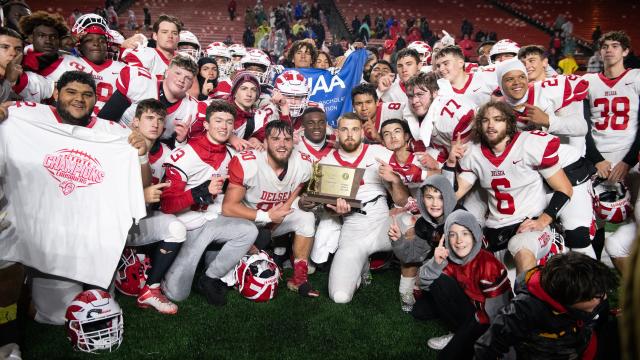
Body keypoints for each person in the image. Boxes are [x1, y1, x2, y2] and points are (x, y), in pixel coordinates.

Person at [0, 70, 150, 326]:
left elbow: (142, 185)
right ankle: (23, 293)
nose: (79, 99)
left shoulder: (115, 134)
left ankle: (35, 287)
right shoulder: (24, 115)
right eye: (71, 92)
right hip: (31, 227)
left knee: (70, 316)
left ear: (95, 100)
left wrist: (142, 155)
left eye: (87, 95)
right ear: (56, 93)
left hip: (83, 239)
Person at [452, 101, 573, 275]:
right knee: (498, 296)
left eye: (497, 119)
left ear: (509, 123)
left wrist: (543, 221)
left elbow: (565, 189)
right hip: (495, 231)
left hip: (529, 225)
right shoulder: (473, 153)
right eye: (485, 120)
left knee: (521, 250)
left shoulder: (529, 144)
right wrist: (450, 163)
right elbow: (455, 194)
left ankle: (550, 253)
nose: (491, 125)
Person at [160, 100, 258, 306]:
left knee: (249, 231)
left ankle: (210, 277)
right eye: (218, 121)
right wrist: (200, 192)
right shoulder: (185, 154)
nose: (224, 126)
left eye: (229, 122)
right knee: (175, 293)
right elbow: (166, 205)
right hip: (187, 223)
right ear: (206, 125)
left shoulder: (230, 153)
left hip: (211, 218)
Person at [500, 57, 595, 258]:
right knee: (538, 239)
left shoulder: (549, 91)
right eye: (509, 79)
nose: (516, 82)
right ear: (501, 83)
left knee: (577, 237)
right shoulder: (495, 108)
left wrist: (549, 121)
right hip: (532, 179)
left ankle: (595, 288)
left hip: (566, 170)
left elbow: (581, 127)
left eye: (521, 77)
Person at [311, 113, 410, 303]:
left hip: (383, 221)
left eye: (355, 129)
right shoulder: (324, 164)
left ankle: (412, 285)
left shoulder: (380, 152)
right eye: (344, 129)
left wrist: (395, 180)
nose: (350, 134)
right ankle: (362, 265)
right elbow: (324, 206)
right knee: (340, 296)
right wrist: (334, 210)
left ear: (362, 132)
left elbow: (404, 201)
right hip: (353, 226)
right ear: (337, 132)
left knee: (413, 221)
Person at [223, 120, 320, 297]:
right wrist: (267, 216)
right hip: (246, 223)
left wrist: (283, 212)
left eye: (287, 139)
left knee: (306, 218)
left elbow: (297, 191)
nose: (282, 144)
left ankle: (299, 279)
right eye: (275, 139)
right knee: (227, 272)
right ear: (265, 142)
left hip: (274, 219)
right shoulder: (248, 162)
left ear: (293, 142)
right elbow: (228, 208)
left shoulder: (303, 163)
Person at [475, 252, 619, 359]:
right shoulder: (525, 310)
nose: (605, 297)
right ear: (571, 298)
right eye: (598, 295)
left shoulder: (580, 285)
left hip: (586, 344)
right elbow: (487, 346)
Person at [122, 99, 188, 315]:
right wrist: (140, 196)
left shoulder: (169, 155)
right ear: (135, 122)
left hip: (140, 223)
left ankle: (151, 289)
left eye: (160, 120)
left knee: (176, 226)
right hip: (113, 223)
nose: (156, 124)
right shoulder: (118, 146)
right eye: (149, 118)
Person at [582, 31, 640, 270]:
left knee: (638, 216)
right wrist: (596, 160)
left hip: (632, 158)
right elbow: (582, 124)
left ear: (625, 51)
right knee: (591, 222)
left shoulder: (637, 77)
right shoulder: (588, 81)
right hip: (598, 160)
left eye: (615, 46)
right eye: (605, 46)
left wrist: (628, 161)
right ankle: (596, 280)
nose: (609, 50)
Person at [418, 210, 511, 357]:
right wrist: (435, 264)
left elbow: (499, 312)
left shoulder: (487, 264)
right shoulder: (449, 256)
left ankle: (465, 336)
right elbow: (423, 283)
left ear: (475, 235)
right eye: (453, 234)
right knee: (421, 308)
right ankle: (457, 329)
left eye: (465, 233)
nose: (459, 240)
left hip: (485, 318)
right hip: (470, 308)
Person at [98, 54, 206, 145]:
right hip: (115, 141)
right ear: (167, 73)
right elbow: (104, 120)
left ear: (192, 83)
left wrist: (181, 141)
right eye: (178, 73)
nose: (181, 80)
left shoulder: (192, 109)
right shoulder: (141, 82)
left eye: (188, 78)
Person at [433, 45, 498, 107]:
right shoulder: (440, 91)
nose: (441, 69)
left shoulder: (485, 76)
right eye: (438, 66)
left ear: (460, 63)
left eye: (445, 63)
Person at [123, 14, 182, 80]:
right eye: (164, 32)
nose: (170, 36)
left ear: (179, 38)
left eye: (174, 33)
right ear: (155, 36)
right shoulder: (143, 55)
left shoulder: (185, 60)